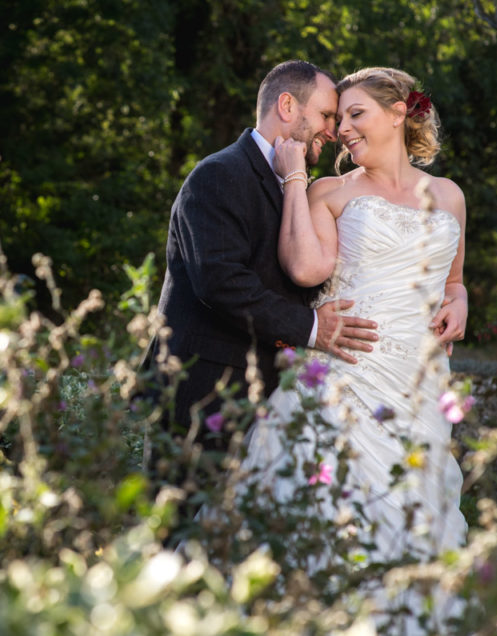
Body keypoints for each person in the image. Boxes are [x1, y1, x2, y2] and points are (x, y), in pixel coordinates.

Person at [239, 66, 469, 632]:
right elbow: (306, 267)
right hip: (345, 377)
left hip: (417, 385)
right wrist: (295, 179)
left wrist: (460, 301)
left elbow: (455, 279)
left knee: (414, 520)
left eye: (355, 113)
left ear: (399, 113)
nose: (341, 128)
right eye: (337, 117)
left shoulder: (450, 197)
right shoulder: (330, 190)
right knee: (336, 515)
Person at [149, 60, 378, 462]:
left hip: (273, 396)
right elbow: (221, 283)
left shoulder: (299, 187)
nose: (333, 130)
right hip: (204, 392)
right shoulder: (218, 175)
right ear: (287, 106)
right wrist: (311, 328)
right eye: (326, 115)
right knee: (185, 521)